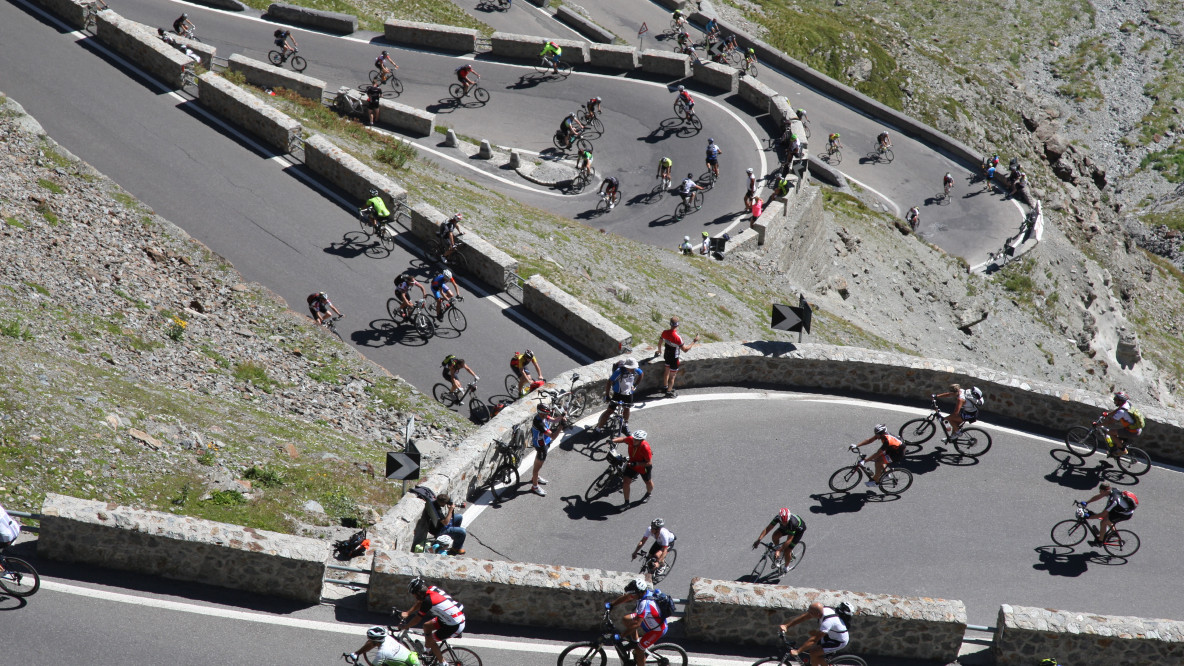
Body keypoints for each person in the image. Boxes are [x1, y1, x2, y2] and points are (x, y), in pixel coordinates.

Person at [396, 577, 465, 666]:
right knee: (426, 626)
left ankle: (443, 663)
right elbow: (420, 602)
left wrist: (405, 626)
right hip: (451, 618)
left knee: (431, 640)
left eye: (414, 594)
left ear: (418, 593)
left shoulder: (428, 601)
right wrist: (408, 613)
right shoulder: (431, 589)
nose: (414, 597)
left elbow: (417, 619)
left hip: (455, 625)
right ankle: (428, 651)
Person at [608, 578, 666, 666]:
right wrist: (612, 604)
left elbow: (636, 624)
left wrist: (621, 636)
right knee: (626, 619)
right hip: (648, 620)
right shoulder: (642, 593)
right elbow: (627, 597)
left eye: (633, 594)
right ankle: (635, 641)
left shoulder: (645, 603)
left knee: (639, 650)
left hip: (657, 630)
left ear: (639, 592)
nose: (631, 595)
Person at [778, 602, 850, 666]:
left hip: (838, 641)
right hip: (830, 635)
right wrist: (787, 626)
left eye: (811, 613)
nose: (809, 614)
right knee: (814, 652)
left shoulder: (827, 622)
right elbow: (804, 617)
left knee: (813, 653)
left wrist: (798, 651)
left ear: (817, 614)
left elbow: (814, 640)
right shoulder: (821, 611)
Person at [1081, 482, 1136, 547]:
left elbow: (1102, 514)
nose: (1099, 492)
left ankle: (1100, 542)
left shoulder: (1113, 501)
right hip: (1119, 508)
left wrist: (1089, 517)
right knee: (1106, 519)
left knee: (1104, 522)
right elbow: (1099, 496)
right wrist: (1087, 502)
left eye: (1100, 490)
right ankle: (1113, 533)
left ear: (1104, 490)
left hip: (1125, 514)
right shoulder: (1112, 490)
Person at [752, 508, 806, 573]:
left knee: (787, 550)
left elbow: (789, 540)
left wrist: (779, 550)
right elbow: (767, 529)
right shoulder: (778, 518)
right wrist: (759, 540)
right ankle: (779, 554)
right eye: (783, 522)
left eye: (786, 521)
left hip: (797, 531)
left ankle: (786, 567)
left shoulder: (793, 523)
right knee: (775, 536)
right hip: (786, 528)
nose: (784, 523)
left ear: (788, 518)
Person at [658, 316, 698, 398]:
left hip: (667, 355)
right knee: (672, 376)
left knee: (666, 372)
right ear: (677, 325)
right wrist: (694, 341)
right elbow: (685, 349)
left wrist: (659, 351)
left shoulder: (664, 332)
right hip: (674, 358)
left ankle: (665, 387)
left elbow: (659, 343)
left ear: (670, 324)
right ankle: (669, 391)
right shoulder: (677, 337)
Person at [344, 626, 419, 666]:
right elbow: (371, 643)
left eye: (370, 639)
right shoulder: (387, 637)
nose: (368, 640)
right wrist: (357, 653)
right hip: (412, 660)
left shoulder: (382, 653)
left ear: (375, 641)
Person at [614, 429, 653, 505]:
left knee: (648, 482)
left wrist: (637, 464)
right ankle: (626, 503)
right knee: (625, 483)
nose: (634, 441)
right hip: (631, 464)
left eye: (637, 440)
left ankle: (648, 493)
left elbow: (649, 463)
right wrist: (613, 441)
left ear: (641, 440)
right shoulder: (632, 439)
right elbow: (622, 439)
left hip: (643, 467)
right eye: (634, 439)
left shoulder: (645, 448)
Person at [1098, 391, 1142, 456]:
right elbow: (1118, 409)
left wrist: (1099, 425)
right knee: (1118, 436)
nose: (1114, 400)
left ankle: (1123, 451)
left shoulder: (1122, 412)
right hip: (1135, 429)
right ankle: (1116, 451)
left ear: (1120, 401)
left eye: (1116, 399)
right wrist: (1108, 414)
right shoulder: (1126, 404)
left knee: (1110, 433)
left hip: (1132, 431)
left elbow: (1111, 422)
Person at [529, 403, 558, 496]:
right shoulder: (539, 423)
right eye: (546, 413)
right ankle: (535, 486)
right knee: (537, 468)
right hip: (541, 447)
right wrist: (561, 426)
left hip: (545, 443)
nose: (547, 415)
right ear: (541, 413)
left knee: (538, 465)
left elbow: (554, 420)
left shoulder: (542, 416)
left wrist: (562, 416)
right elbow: (553, 436)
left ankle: (535, 478)